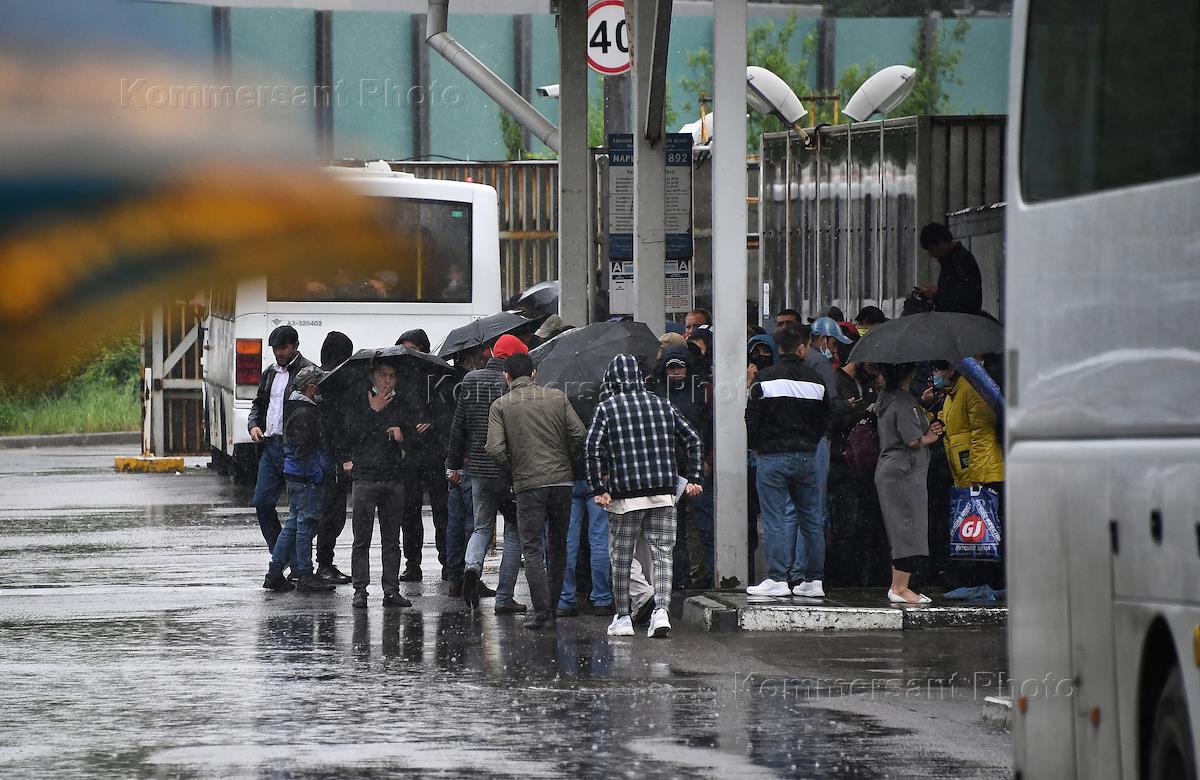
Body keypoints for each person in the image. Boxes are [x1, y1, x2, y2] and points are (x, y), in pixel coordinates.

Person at [586, 354, 704, 639]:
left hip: (625, 496)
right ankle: (661, 612)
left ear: (612, 381)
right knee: (662, 555)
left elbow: (592, 447)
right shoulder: (663, 404)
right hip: (664, 493)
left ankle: (623, 617)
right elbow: (692, 439)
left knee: (621, 556)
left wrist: (598, 489)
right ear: (639, 378)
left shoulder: (606, 408)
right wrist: (695, 478)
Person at [485, 352, 587, 630]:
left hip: (528, 485)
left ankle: (543, 613)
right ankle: (554, 606)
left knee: (532, 548)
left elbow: (494, 448)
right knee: (558, 546)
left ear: (506, 376)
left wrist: (514, 467)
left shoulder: (501, 405)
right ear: (533, 373)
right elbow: (579, 434)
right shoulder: (557, 398)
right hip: (562, 483)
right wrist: (565, 459)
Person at [746, 327, 831, 598]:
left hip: (772, 456)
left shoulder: (764, 379)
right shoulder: (817, 381)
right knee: (811, 519)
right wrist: (809, 442)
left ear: (779, 348)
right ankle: (814, 580)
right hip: (806, 456)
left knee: (776, 518)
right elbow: (824, 420)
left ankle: (777, 578)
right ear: (802, 348)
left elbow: (752, 418)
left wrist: (756, 447)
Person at [447, 333, 528, 614]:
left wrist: (454, 465)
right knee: (514, 531)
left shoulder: (470, 380)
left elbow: (458, 427)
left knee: (481, 527)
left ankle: (472, 566)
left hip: (477, 469)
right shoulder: (513, 384)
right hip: (508, 470)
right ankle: (504, 598)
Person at [344, 359, 413, 609]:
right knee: (361, 538)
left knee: (392, 539)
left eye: (392, 376)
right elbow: (349, 434)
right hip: (365, 476)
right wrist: (373, 411)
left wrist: (403, 436)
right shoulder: (359, 400)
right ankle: (360, 589)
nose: (388, 381)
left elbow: (414, 437)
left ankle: (391, 590)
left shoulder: (401, 402)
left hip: (393, 476)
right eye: (383, 375)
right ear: (373, 376)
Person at [874, 362, 944, 604]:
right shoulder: (903, 402)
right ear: (909, 373)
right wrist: (930, 436)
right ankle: (900, 588)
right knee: (908, 528)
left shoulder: (887, 397)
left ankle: (899, 585)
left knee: (901, 528)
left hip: (893, 470)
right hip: (904, 472)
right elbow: (912, 440)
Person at [264, 366, 337, 594]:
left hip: (296, 475)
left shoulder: (295, 408)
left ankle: (275, 572)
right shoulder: (307, 413)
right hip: (305, 477)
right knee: (305, 525)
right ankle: (305, 573)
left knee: (294, 524)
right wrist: (318, 471)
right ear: (311, 388)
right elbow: (305, 449)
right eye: (319, 385)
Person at [249, 325, 315, 567]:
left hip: (295, 448)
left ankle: (295, 563)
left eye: (283, 348)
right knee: (262, 502)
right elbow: (259, 403)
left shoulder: (308, 372)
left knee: (299, 510)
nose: (279, 353)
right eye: (275, 349)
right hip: (270, 445)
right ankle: (281, 554)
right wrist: (253, 425)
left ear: (295, 346)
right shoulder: (270, 373)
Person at [652, 345, 712, 590]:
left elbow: (710, 427)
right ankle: (679, 578)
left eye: (680, 367)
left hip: (695, 467)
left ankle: (705, 576)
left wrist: (707, 460)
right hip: (668, 468)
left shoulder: (700, 392)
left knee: (702, 523)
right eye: (671, 368)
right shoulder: (657, 395)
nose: (676, 372)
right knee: (672, 527)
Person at [394, 328, 449, 582]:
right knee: (410, 512)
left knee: (442, 512)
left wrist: (433, 422)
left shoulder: (439, 378)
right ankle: (412, 563)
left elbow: (451, 413)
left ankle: (447, 560)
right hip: (411, 454)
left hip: (436, 453)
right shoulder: (398, 380)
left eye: (413, 350)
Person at [443, 346, 485, 598]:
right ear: (470, 359)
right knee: (474, 523)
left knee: (454, 523)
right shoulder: (473, 385)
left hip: (454, 460)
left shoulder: (443, 385)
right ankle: (472, 573)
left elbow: (453, 428)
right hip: (471, 460)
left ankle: (454, 578)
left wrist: (452, 463)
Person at [314, 331, 354, 584]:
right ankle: (324, 563)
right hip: (333, 459)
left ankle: (302, 563)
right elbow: (339, 426)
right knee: (332, 513)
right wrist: (345, 456)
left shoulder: (316, 380)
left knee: (314, 513)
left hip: (314, 457)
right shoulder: (337, 383)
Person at [918, 223, 983, 315]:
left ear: (940, 242)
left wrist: (936, 295)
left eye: (931, 249)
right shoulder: (952, 260)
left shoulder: (960, 261)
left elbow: (962, 300)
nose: (931, 254)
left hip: (960, 320)